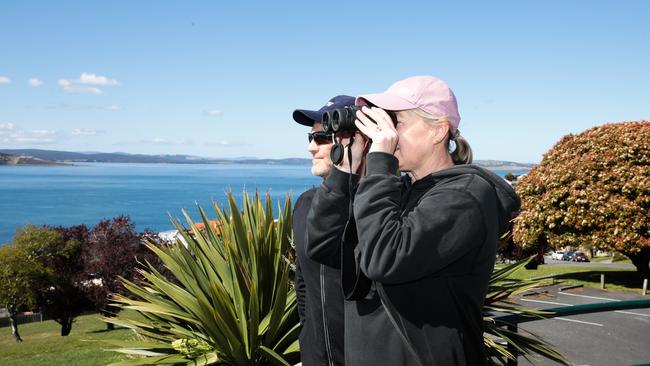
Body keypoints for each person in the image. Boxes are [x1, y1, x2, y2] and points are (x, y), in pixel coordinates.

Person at [306, 76, 521, 365]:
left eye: (396, 122)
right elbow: (325, 246)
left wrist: (381, 163)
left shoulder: (465, 196)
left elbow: (385, 259)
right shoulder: (401, 192)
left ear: (438, 131)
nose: (387, 133)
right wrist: (346, 169)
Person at [292, 95, 356, 366]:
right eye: (310, 138)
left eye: (320, 139)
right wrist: (308, 347)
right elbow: (303, 283)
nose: (310, 148)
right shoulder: (306, 204)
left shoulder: (383, 207)